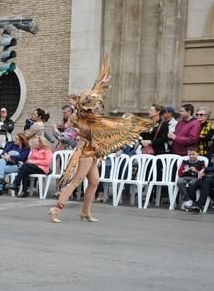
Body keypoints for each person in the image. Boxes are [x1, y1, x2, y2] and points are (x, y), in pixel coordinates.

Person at [48, 60, 150, 223]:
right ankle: (57, 209)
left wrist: (99, 83)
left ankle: (85, 212)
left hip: (92, 153)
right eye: (95, 105)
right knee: (77, 181)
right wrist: (132, 124)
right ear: (89, 106)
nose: (98, 106)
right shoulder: (89, 120)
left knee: (94, 182)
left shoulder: (84, 117)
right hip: (86, 153)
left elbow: (92, 100)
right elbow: (110, 126)